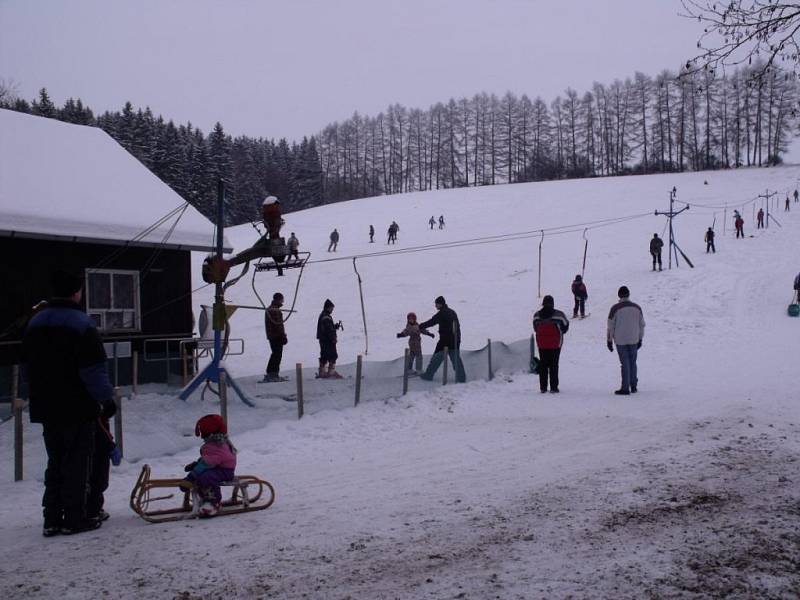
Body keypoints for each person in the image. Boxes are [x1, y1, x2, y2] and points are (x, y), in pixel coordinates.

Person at [22, 269, 116, 536]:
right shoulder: (81, 324)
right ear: (77, 292)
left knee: (56, 460)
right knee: (78, 460)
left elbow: (26, 366)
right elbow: (93, 369)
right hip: (78, 406)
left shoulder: (36, 323)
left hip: (46, 405)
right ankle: (76, 517)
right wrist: (105, 399)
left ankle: (51, 518)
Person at [184, 414, 237, 517]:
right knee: (203, 474)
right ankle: (205, 497)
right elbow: (208, 459)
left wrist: (190, 477)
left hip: (225, 471)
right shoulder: (215, 443)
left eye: (203, 433)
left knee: (206, 476)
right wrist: (196, 464)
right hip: (217, 467)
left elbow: (207, 463)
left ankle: (213, 502)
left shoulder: (218, 446)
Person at [606, 285, 645, 396]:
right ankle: (633, 385)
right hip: (634, 338)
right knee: (633, 362)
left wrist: (609, 341)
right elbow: (642, 325)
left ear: (619, 295)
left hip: (620, 340)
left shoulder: (615, 308)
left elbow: (610, 326)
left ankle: (625, 387)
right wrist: (640, 338)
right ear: (628, 294)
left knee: (625, 363)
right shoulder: (637, 307)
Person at [419, 296, 466, 383]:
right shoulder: (452, 312)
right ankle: (461, 378)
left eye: (436, 304)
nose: (435, 305)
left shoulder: (442, 313)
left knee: (436, 358)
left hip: (445, 340)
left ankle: (428, 375)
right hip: (455, 339)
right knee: (456, 360)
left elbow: (431, 322)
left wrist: (419, 326)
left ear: (440, 304)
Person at [533, 295, 570, 393]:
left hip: (542, 344)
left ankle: (543, 387)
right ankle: (554, 387)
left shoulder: (536, 315)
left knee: (543, 365)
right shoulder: (559, 315)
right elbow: (565, 326)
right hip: (555, 344)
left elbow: (535, 328)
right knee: (554, 365)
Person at [264, 293, 288, 382]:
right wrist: (282, 335)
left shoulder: (273, 309)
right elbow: (278, 325)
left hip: (273, 335)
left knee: (276, 354)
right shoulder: (274, 310)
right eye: (282, 299)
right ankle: (272, 374)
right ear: (279, 299)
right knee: (277, 354)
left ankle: (272, 373)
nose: (283, 301)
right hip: (276, 336)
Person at [316, 298, 343, 378]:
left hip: (323, 339)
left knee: (324, 355)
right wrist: (333, 338)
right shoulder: (326, 317)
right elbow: (328, 330)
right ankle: (331, 372)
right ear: (328, 307)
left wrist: (334, 326)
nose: (332, 310)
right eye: (331, 308)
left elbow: (327, 328)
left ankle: (322, 372)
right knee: (333, 355)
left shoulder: (323, 315)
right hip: (327, 340)